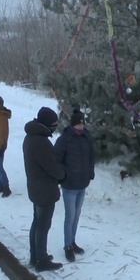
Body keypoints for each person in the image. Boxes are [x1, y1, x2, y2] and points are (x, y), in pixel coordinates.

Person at [23, 107, 66, 271]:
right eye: (54, 124)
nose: (56, 127)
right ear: (47, 124)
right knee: (42, 225)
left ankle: (36, 256)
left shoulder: (30, 137)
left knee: (37, 222)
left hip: (36, 188)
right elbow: (53, 168)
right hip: (44, 190)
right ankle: (41, 261)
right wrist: (63, 173)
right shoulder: (40, 142)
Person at [54, 110, 95, 262]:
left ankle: (73, 242)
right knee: (70, 216)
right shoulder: (64, 139)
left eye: (83, 123)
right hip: (69, 185)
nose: (81, 126)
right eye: (78, 123)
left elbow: (91, 157)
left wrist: (90, 172)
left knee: (77, 215)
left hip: (82, 183)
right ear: (73, 124)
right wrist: (63, 176)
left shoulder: (86, 137)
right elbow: (56, 159)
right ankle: (67, 246)